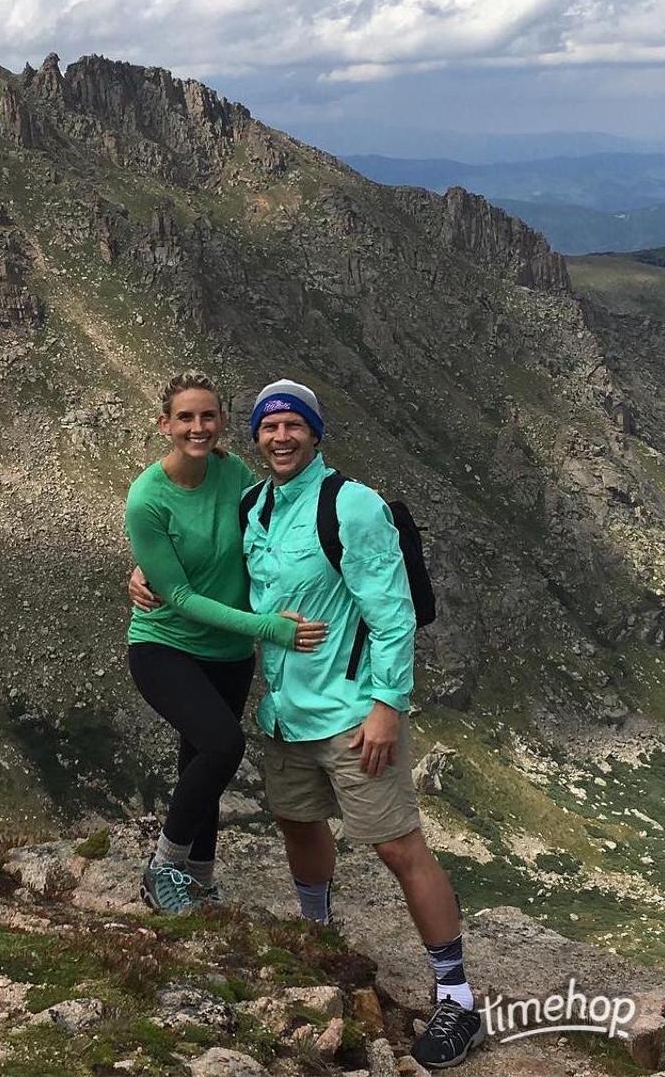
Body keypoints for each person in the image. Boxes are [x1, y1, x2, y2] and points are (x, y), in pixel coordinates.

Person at [133, 379, 486, 1069]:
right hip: (286, 716)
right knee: (298, 825)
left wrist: (389, 706)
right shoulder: (253, 502)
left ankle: (457, 1000)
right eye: (270, 427)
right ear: (257, 438)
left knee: (397, 847)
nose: (282, 437)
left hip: (355, 716)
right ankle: (320, 941)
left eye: (295, 425)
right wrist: (140, 572)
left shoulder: (350, 507)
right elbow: (186, 545)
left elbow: (392, 613)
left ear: (316, 433)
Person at [125, 371, 326, 915]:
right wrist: (269, 627)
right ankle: (164, 865)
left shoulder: (233, 473)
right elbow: (182, 597)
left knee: (202, 761)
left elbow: (274, 526)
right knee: (222, 746)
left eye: (208, 416)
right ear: (164, 423)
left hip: (229, 656)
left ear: (222, 423)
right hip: (165, 645)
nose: (198, 427)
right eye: (185, 417)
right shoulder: (147, 499)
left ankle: (199, 879)